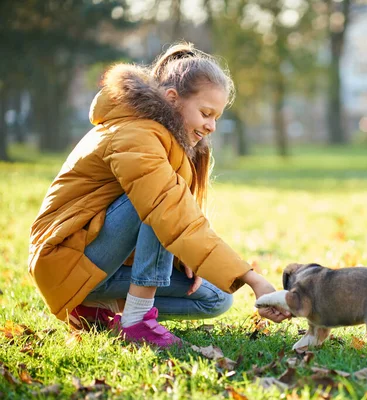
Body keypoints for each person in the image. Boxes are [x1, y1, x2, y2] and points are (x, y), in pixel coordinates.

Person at [28, 42, 290, 348]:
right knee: (161, 203)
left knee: (216, 299)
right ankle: (137, 320)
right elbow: (168, 210)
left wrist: (183, 256)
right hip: (65, 259)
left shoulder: (165, 139)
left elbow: (171, 216)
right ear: (172, 99)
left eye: (216, 117)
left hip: (101, 258)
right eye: (206, 113)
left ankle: (93, 310)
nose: (212, 126)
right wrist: (253, 279)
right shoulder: (135, 133)